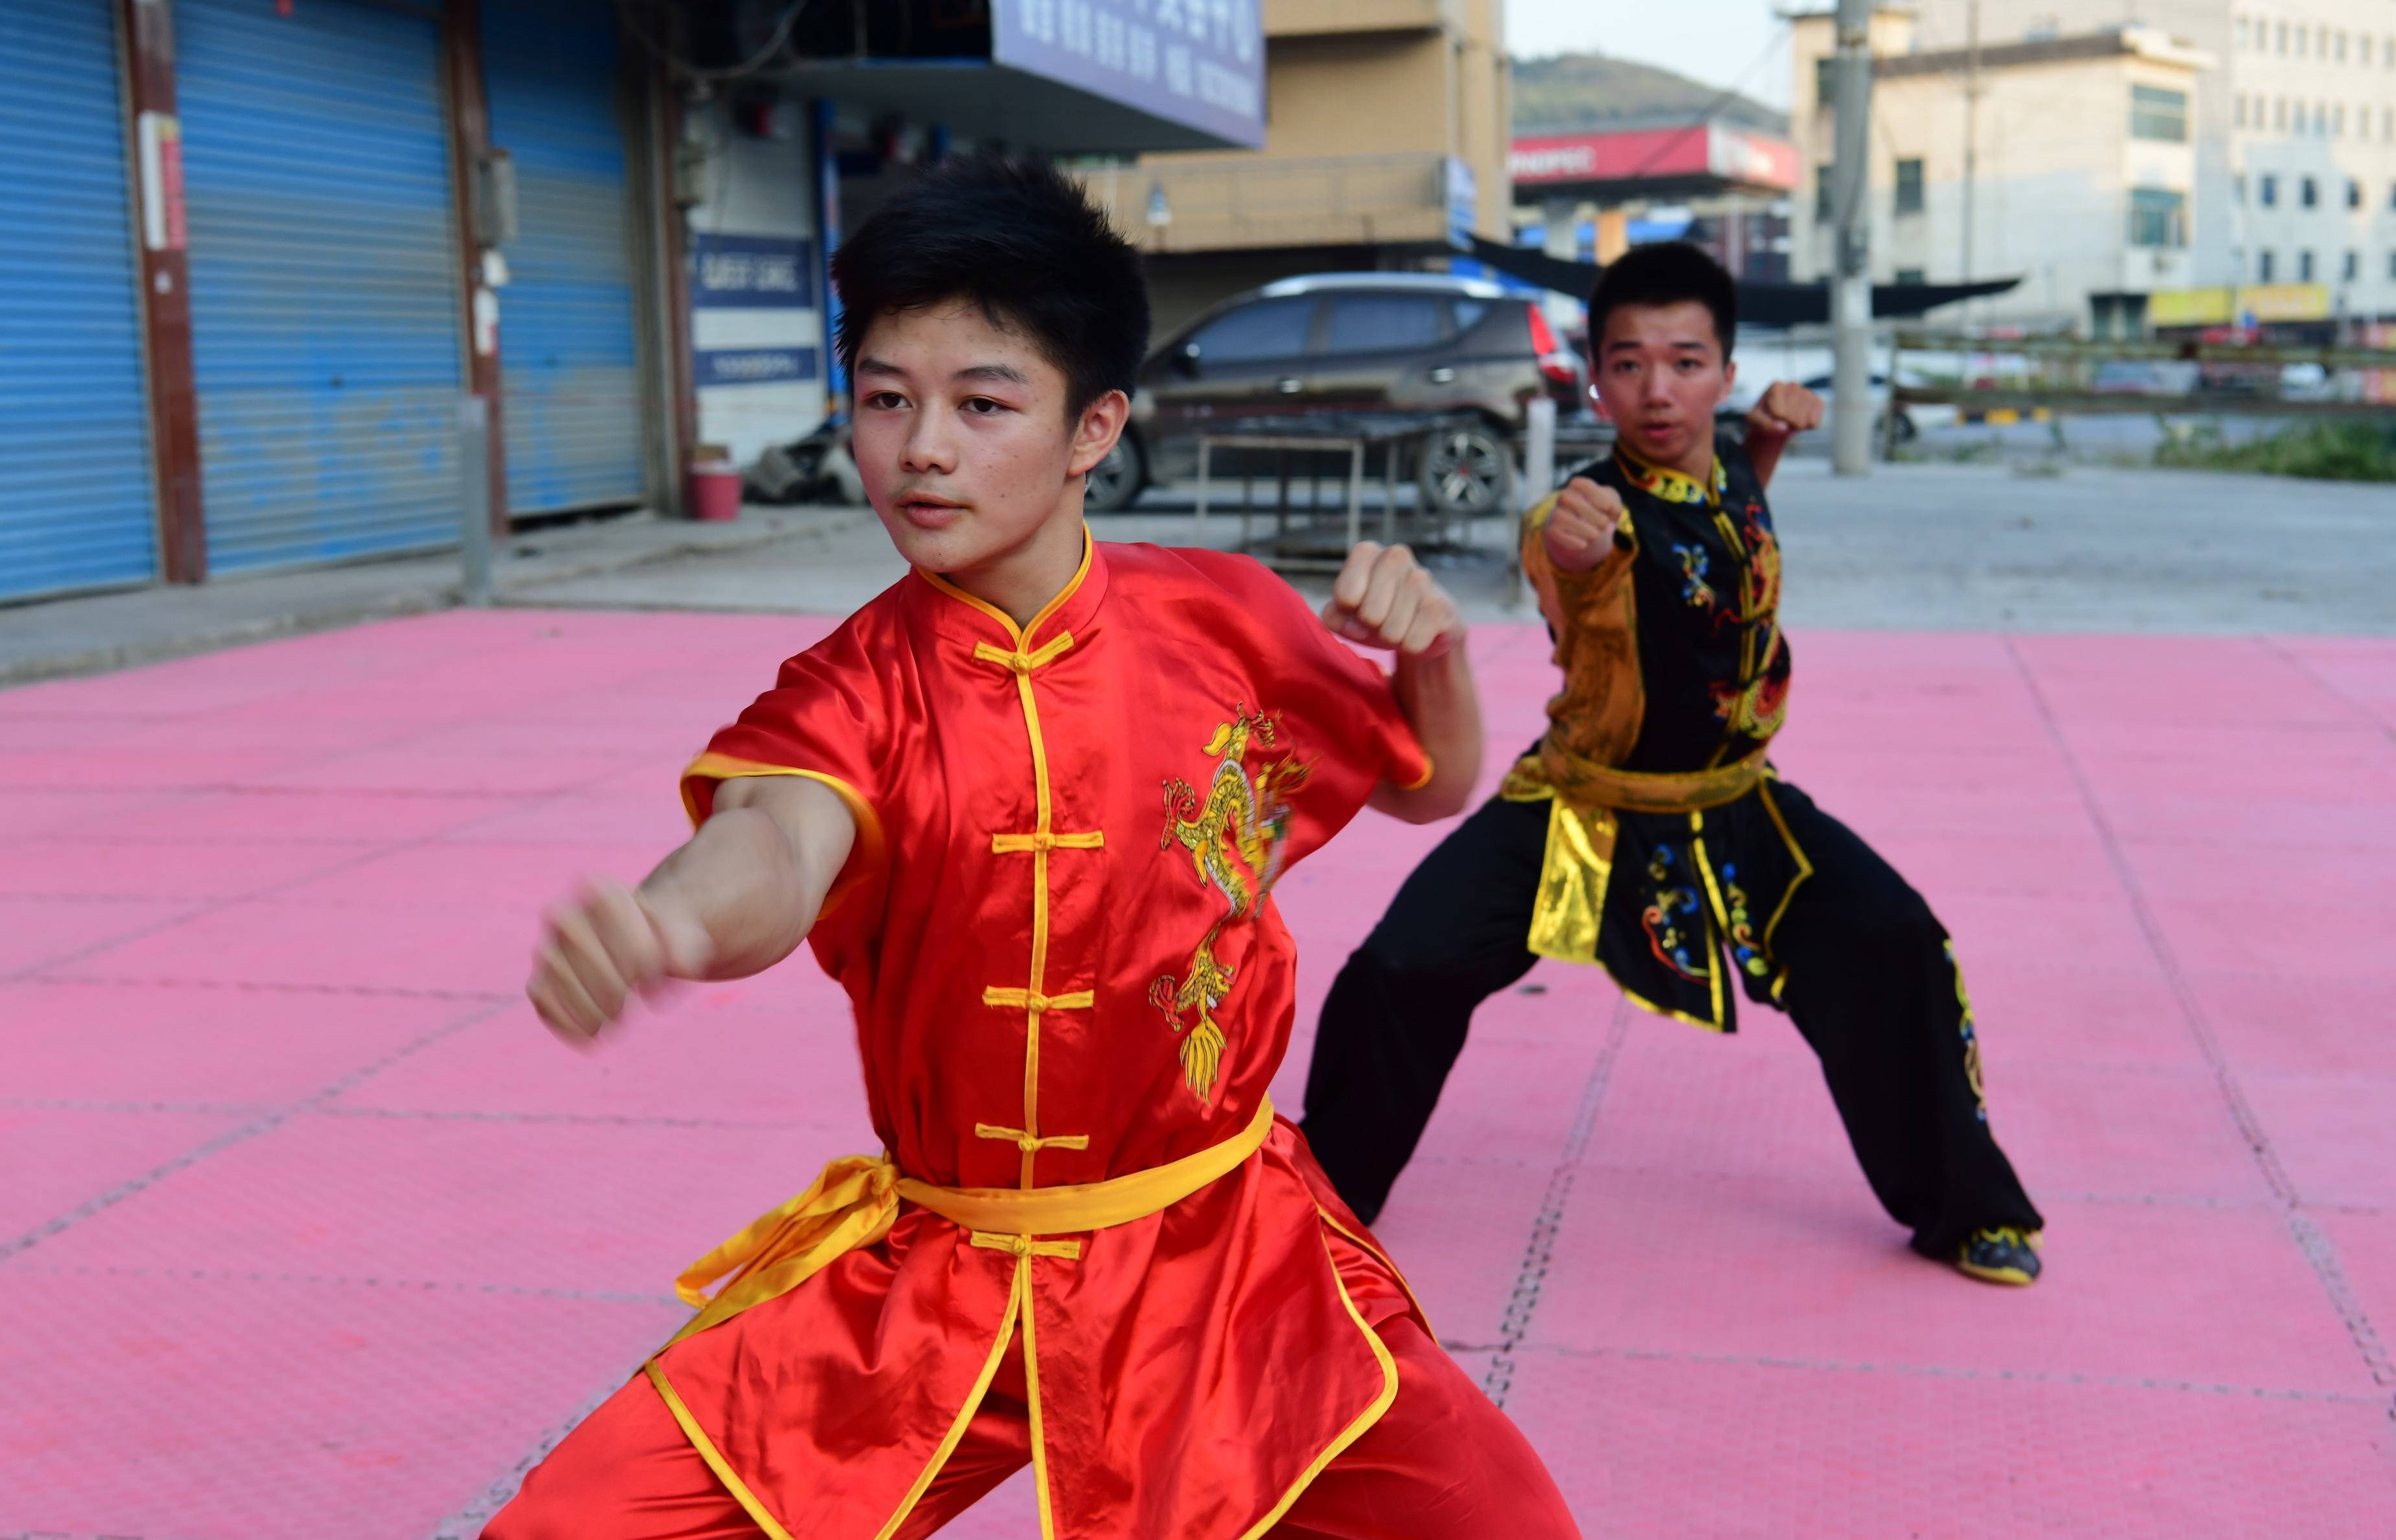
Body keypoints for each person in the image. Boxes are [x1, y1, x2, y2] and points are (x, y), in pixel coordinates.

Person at [485, 157, 1580, 1540]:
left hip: (1222, 1250)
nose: (919, 449)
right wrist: (670, 926)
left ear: (1090, 429)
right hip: (938, 1273)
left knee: (1500, 1522)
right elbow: (774, 836)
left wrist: (1433, 657)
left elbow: (1430, 786)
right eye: (885, 398)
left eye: (980, 403)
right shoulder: (850, 686)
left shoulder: (1228, 623)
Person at [1297, 242, 2046, 1289]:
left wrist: (1773, 439)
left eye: (1686, 362)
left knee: (1895, 943)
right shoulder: (1577, 515)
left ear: (1726, 375)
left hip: (1737, 805)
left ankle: (1966, 1210)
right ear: (1593, 378)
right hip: (1580, 808)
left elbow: (1728, 505)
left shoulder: (1735, 458)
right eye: (1630, 365)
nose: (1658, 392)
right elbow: (1573, 565)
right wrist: (1571, 543)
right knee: (1399, 972)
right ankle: (1315, 1210)